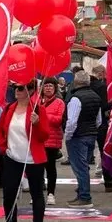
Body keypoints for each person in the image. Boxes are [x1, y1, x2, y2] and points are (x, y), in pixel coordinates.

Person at [0, 80, 50, 222]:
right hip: (12, 157)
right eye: (15, 88)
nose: (16, 91)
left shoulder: (38, 109)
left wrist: (37, 123)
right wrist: (4, 148)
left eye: (20, 88)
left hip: (33, 158)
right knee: (9, 193)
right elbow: (0, 130)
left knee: (36, 193)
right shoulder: (9, 108)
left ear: (30, 90)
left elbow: (45, 136)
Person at [63, 71, 102, 208]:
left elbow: (71, 121)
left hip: (78, 136)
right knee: (84, 166)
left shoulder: (75, 98)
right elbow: (99, 120)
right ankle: (82, 192)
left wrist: (68, 136)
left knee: (80, 168)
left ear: (76, 82)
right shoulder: (96, 96)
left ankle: (84, 196)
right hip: (91, 134)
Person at [90, 64, 112, 192]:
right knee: (104, 152)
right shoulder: (101, 87)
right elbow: (102, 106)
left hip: (86, 125)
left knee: (84, 156)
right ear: (101, 73)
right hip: (100, 123)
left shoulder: (83, 86)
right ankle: (109, 182)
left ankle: (82, 185)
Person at [38, 78, 65, 206]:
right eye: (46, 86)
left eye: (50, 86)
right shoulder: (37, 101)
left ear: (55, 88)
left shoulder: (59, 102)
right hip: (38, 140)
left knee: (50, 168)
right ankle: (37, 193)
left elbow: (58, 120)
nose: (48, 88)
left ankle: (51, 193)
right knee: (37, 168)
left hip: (51, 140)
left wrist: (43, 115)